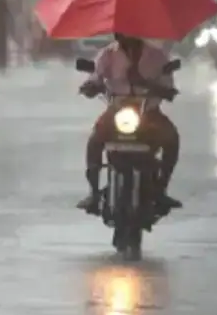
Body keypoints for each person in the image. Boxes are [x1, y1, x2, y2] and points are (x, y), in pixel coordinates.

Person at [76, 34, 183, 214]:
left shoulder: (156, 56)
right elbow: (95, 77)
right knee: (95, 140)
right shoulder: (108, 54)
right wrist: (90, 87)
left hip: (149, 113)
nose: (123, 34)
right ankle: (93, 193)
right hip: (116, 112)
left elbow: (168, 87)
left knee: (171, 138)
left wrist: (145, 82)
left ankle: (161, 189)